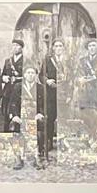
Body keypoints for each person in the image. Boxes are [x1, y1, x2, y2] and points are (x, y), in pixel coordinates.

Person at [35, 37, 63, 166]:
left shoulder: (68, 61)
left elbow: (73, 75)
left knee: (64, 118)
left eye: (60, 46)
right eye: (56, 46)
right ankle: (50, 141)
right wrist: (47, 81)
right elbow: (41, 75)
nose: (58, 48)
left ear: (63, 49)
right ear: (53, 48)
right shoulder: (47, 60)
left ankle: (64, 143)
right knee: (50, 117)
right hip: (51, 94)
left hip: (64, 94)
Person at [75, 37, 97, 143]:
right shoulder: (82, 61)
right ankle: (89, 136)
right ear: (87, 48)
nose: (92, 48)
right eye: (90, 46)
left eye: (94, 46)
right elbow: (78, 75)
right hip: (85, 92)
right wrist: (81, 79)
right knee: (86, 115)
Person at [0, 36, 27, 133]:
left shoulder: (26, 61)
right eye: (13, 45)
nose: (15, 47)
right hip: (8, 91)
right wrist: (4, 78)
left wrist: (18, 79)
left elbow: (30, 76)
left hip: (20, 92)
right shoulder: (8, 61)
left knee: (18, 116)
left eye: (17, 45)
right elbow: (2, 75)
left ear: (21, 48)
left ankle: (18, 139)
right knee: (6, 115)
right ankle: (6, 138)